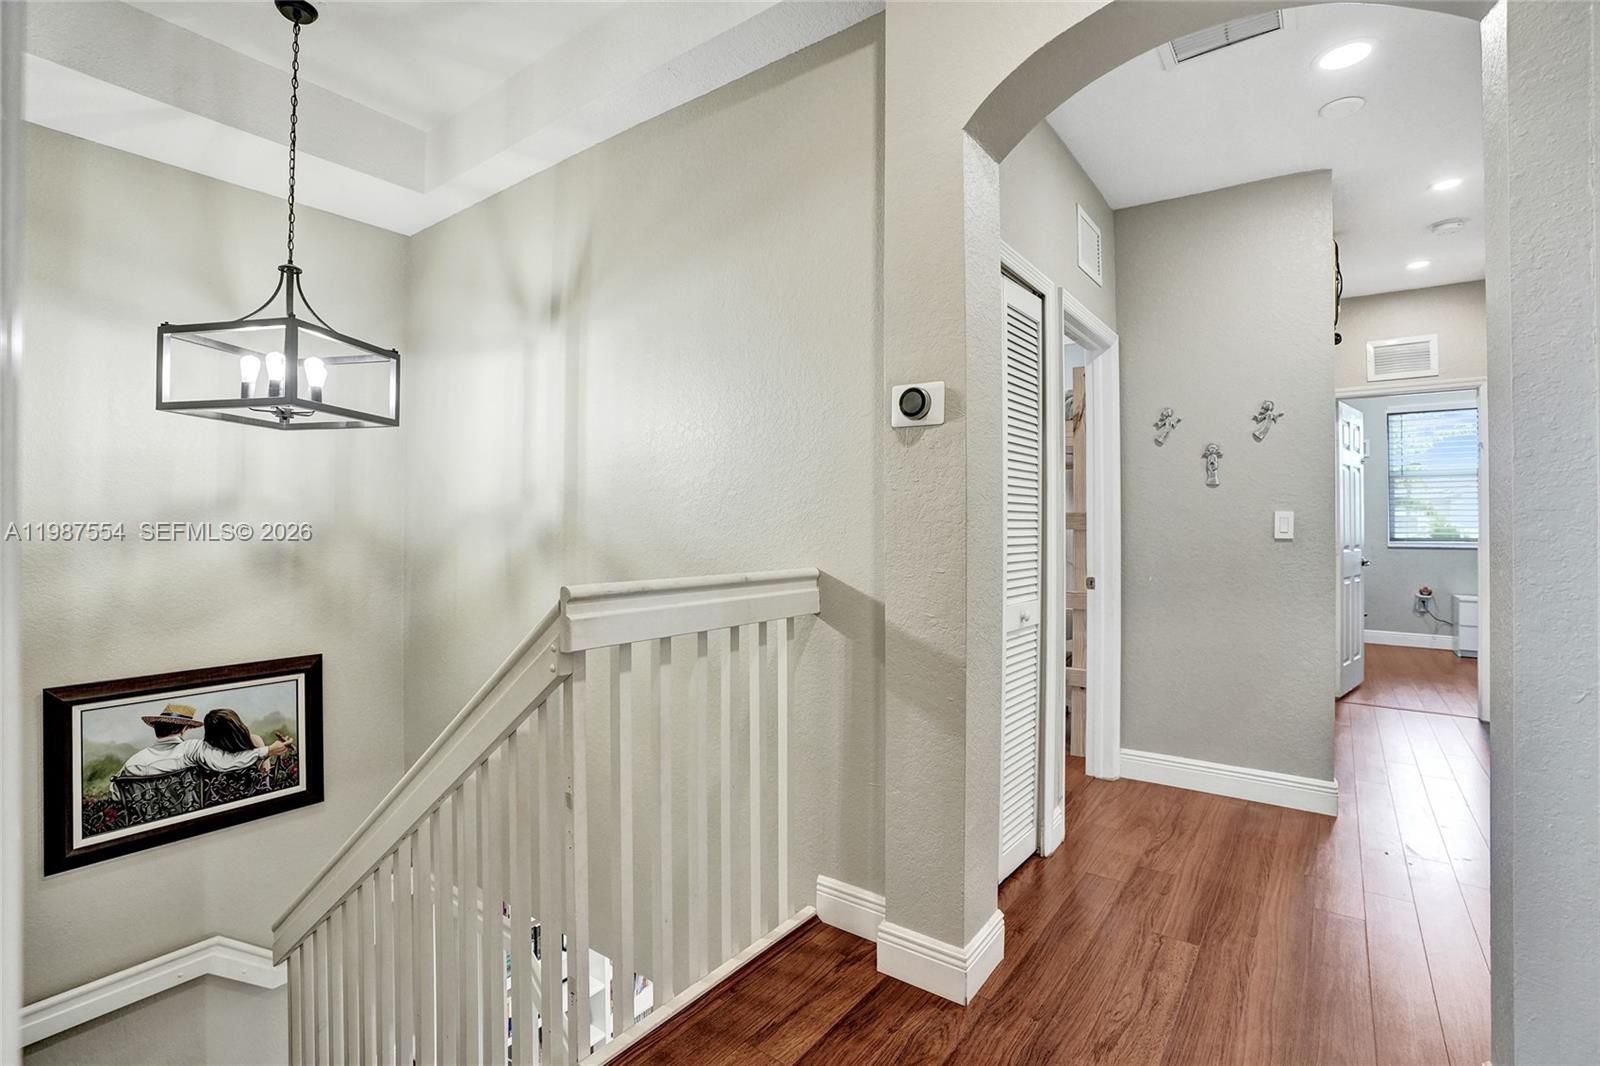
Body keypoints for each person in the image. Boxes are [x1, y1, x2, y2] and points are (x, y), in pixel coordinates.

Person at [118, 704, 289, 779]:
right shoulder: (192, 748)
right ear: (185, 729)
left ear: (156, 729)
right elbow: (226, 762)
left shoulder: (132, 762)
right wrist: (267, 751)